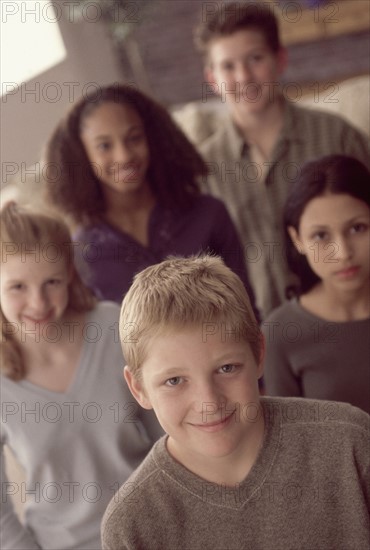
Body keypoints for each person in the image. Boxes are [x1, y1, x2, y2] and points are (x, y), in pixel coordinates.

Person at [101, 255, 369, 550]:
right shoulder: (132, 524)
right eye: (174, 381)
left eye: (226, 368)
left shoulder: (350, 443)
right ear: (138, 388)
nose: (209, 402)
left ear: (259, 354)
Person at [0, 202, 162, 550]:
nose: (38, 303)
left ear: (70, 274)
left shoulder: (111, 326)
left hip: (153, 528)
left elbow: (167, 435)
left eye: (51, 282)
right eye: (18, 287)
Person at [194, 2, 370, 317]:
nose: (244, 76)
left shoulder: (337, 137)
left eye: (255, 59)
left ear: (280, 59)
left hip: (349, 316)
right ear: (212, 79)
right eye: (228, 66)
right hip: (255, 333)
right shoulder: (202, 169)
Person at [44, 84, 257, 316]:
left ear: (152, 138)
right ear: (82, 155)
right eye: (104, 146)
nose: (124, 156)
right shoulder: (80, 256)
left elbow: (247, 314)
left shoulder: (209, 214)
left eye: (134, 138)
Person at [262, 155, 370, 413]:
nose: (342, 252)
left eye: (357, 228)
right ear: (297, 239)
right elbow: (290, 443)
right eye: (321, 235)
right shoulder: (279, 334)